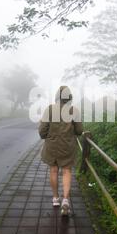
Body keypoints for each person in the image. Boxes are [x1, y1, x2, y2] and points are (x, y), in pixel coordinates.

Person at [38, 86, 83, 216]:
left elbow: (42, 130)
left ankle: (56, 198)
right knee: (67, 171)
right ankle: (65, 200)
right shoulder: (74, 110)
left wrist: (46, 136)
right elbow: (79, 131)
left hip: (52, 146)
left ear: (57, 96)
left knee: (53, 170)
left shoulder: (50, 109)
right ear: (69, 97)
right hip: (67, 146)